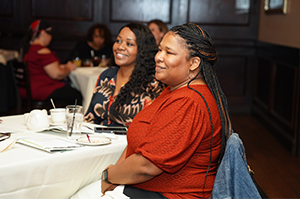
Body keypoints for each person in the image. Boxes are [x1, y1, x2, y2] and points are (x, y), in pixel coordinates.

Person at [72, 23, 232, 199]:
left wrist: (109, 176)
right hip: (146, 188)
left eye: (168, 53)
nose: (158, 57)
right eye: (159, 50)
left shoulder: (189, 102)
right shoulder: (175, 90)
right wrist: (115, 176)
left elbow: (147, 166)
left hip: (170, 195)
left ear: (194, 63)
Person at [84, 23, 165, 127]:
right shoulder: (106, 76)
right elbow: (90, 117)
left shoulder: (152, 84)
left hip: (129, 142)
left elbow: (154, 127)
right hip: (97, 140)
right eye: (118, 41)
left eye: (129, 44)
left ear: (142, 50)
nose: (120, 47)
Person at [20, 20, 82, 105]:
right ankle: (70, 117)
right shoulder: (41, 51)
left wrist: (64, 67)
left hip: (27, 89)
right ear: (42, 33)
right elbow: (57, 74)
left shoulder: (29, 49)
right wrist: (68, 68)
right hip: (40, 89)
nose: (51, 37)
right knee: (76, 95)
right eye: (49, 33)